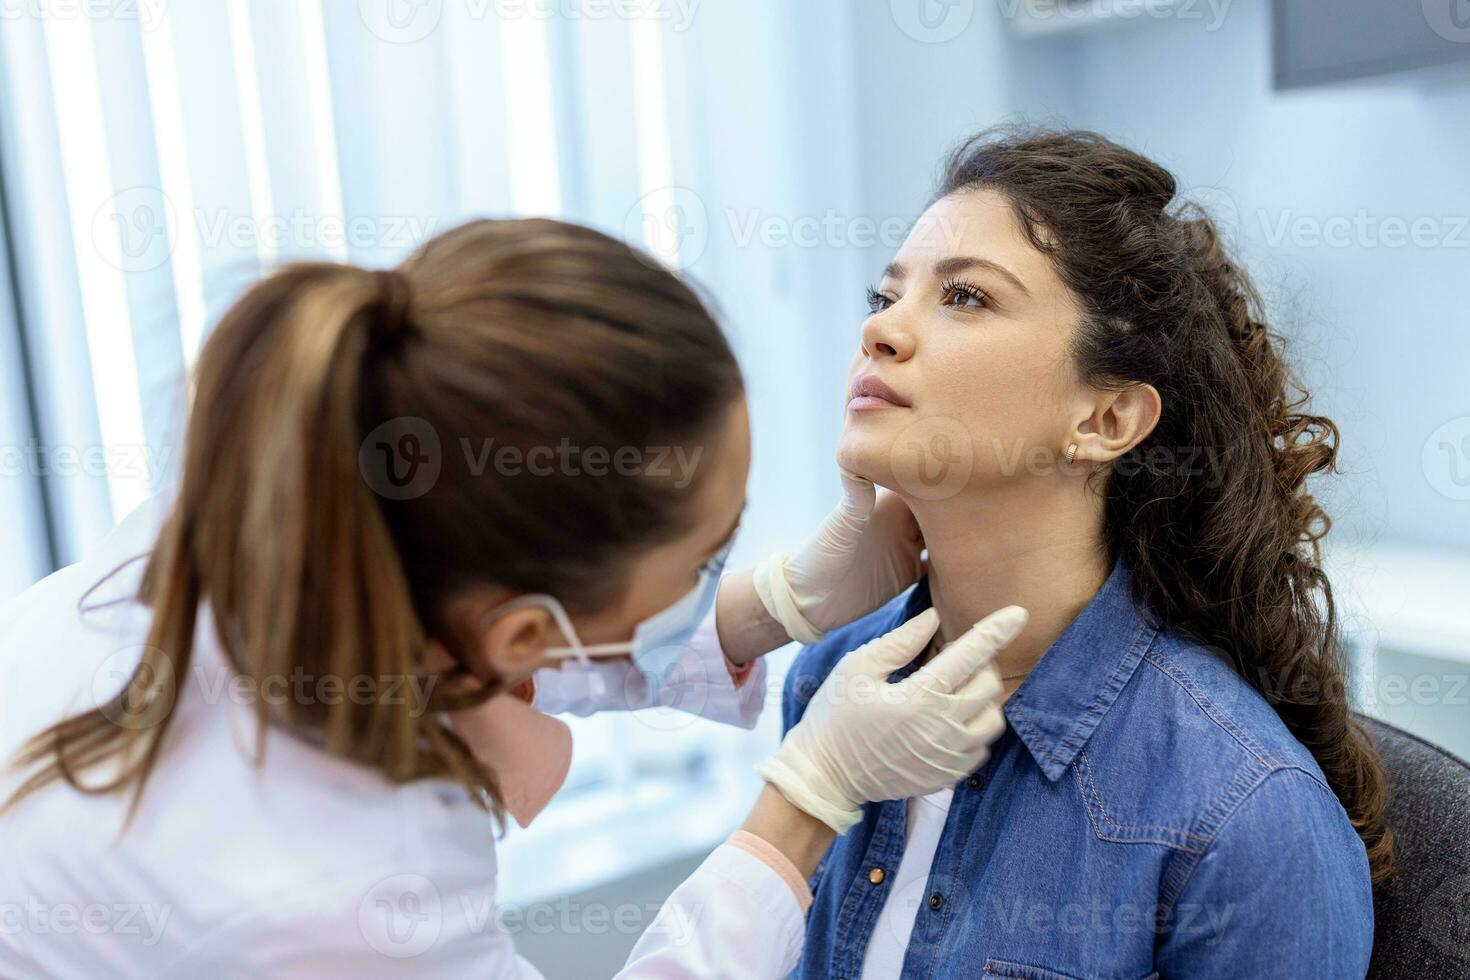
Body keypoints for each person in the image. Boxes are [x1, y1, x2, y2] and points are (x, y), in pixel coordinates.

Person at [0, 218, 1028, 977]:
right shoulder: (336, 892)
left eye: (968, 294)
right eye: (703, 564)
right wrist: (806, 799)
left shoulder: (278, 516)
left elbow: (456, 639)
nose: (888, 332)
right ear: (529, 629)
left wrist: (769, 608)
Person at [782, 127, 1386, 979]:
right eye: (883, 297)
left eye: (964, 298)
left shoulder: (1245, 817)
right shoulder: (830, 680)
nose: (881, 332)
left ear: (1106, 421)